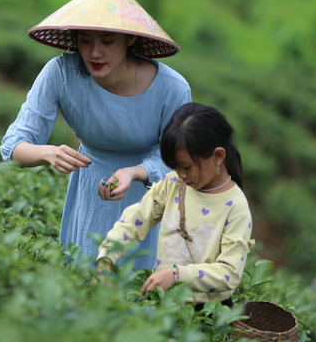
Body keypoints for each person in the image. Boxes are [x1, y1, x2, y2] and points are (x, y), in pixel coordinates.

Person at [0, 0, 192, 270]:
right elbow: (13, 145)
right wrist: (47, 153)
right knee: (84, 280)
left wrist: (135, 172)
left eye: (107, 41)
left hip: (148, 196)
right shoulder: (60, 74)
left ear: (129, 40)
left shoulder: (171, 88)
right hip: (90, 191)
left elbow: (180, 163)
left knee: (138, 290)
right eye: (86, 40)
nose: (94, 53)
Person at [93, 103, 255, 309]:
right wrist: (105, 261)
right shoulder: (173, 184)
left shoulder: (235, 206)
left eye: (186, 167)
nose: (181, 174)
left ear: (218, 156)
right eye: (176, 167)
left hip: (206, 312)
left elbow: (229, 273)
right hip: (161, 301)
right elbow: (133, 221)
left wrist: (178, 275)